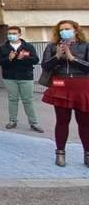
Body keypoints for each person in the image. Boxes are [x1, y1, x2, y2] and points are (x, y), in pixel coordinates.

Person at [40, 20, 89, 167]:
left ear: (75, 30)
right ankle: (60, 153)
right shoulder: (52, 46)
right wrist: (57, 56)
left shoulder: (85, 46)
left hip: (82, 85)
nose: (64, 32)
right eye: (61, 30)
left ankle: (87, 154)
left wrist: (72, 58)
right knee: (62, 121)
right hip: (61, 84)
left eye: (67, 29)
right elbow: (45, 66)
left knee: (85, 123)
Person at [0, 27, 43, 132]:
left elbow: (35, 60)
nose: (11, 35)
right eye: (9, 33)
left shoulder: (28, 47)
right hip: (9, 77)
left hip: (26, 77)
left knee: (28, 100)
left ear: (19, 34)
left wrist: (24, 58)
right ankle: (12, 121)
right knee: (13, 99)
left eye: (14, 33)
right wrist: (9, 58)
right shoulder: (3, 48)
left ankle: (33, 123)